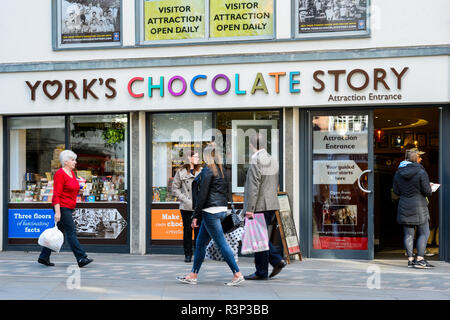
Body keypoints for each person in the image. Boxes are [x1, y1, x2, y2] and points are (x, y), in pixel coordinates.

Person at [176, 144, 244, 286]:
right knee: (200, 244)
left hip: (210, 212)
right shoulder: (222, 170)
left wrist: (195, 215)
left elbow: (202, 195)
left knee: (221, 244)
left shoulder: (208, 170)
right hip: (220, 209)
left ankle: (237, 273)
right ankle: (193, 274)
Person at [38, 150, 93, 268]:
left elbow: (71, 188)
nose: (75, 162)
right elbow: (56, 194)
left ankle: (43, 257)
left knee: (58, 231)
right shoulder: (60, 173)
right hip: (62, 207)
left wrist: (79, 191)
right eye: (73, 160)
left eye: (75, 160)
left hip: (69, 206)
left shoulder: (72, 173)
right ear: (66, 161)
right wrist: (57, 212)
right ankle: (81, 257)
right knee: (71, 232)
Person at [243, 132, 287, 280]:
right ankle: (264, 269)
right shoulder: (272, 159)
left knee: (259, 239)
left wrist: (250, 209)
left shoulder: (256, 160)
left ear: (251, 145)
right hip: (271, 204)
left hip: (259, 206)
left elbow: (253, 186)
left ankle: (273, 262)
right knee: (260, 238)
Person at [393, 148, 434, 269]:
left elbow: (396, 191)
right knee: (424, 232)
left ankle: (411, 260)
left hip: (404, 205)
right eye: (419, 157)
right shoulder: (421, 171)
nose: (421, 159)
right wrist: (430, 187)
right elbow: (427, 191)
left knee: (408, 234)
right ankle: (420, 259)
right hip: (419, 206)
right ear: (415, 159)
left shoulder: (398, 172)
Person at [172, 150, 202, 263]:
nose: (198, 159)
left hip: (199, 206)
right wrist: (184, 199)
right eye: (196, 156)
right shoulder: (180, 172)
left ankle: (199, 254)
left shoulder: (202, 171)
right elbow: (175, 188)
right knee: (188, 231)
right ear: (189, 158)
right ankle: (188, 254)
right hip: (186, 206)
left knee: (199, 232)